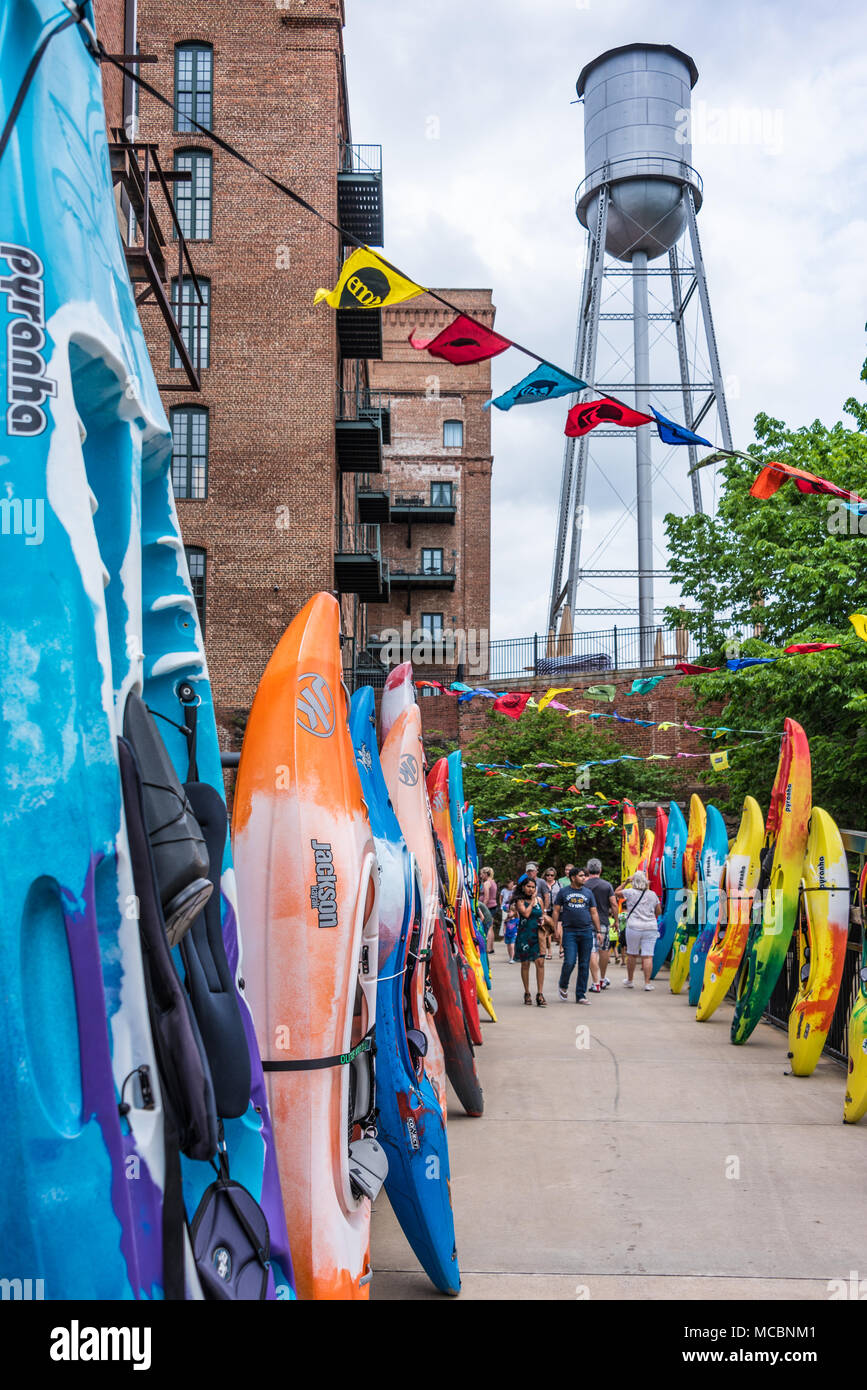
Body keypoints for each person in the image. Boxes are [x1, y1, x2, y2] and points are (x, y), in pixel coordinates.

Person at [552, 866, 600, 1004]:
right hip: (569, 932)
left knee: (584, 964)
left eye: (584, 875)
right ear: (573, 878)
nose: (584, 878)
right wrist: (555, 928)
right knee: (570, 961)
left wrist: (599, 931)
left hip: (586, 931)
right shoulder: (563, 892)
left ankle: (581, 995)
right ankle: (563, 984)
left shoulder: (588, 893)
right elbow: (556, 911)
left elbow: (594, 912)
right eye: (581, 876)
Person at [616, 869, 662, 990]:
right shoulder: (652, 894)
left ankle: (630, 980)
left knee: (632, 954)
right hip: (650, 927)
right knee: (648, 956)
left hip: (634, 927)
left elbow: (616, 892)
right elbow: (658, 911)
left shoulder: (630, 892)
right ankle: (647, 983)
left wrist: (626, 882)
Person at [513, 876, 552, 1005]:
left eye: (533, 887)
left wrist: (544, 921)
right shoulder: (519, 900)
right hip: (524, 935)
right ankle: (527, 992)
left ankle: (540, 994)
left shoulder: (539, 900)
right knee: (525, 964)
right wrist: (532, 902)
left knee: (540, 962)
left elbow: (541, 914)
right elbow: (526, 914)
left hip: (538, 934)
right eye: (528, 886)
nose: (531, 889)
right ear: (523, 887)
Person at [584, 858, 618, 991]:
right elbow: (614, 904)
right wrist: (616, 920)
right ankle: (603, 979)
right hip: (603, 922)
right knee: (604, 950)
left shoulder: (584, 885)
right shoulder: (607, 885)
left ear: (587, 870)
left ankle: (595, 982)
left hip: (587, 923)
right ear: (600, 870)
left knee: (592, 951)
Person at [541, 867, 559, 959]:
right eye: (548, 875)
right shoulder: (542, 884)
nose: (549, 877)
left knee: (558, 930)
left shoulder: (558, 884)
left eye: (552, 875)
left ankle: (561, 949)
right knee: (547, 931)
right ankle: (549, 951)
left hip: (557, 909)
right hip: (546, 910)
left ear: (554, 876)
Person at [479, 866, 498, 953]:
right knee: (491, 927)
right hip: (493, 905)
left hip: (488, 907)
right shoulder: (493, 882)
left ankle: (489, 948)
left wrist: (483, 908)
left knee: (489, 927)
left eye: (482, 874)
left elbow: (486, 897)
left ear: (486, 874)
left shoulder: (487, 883)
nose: (481, 876)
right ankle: (491, 947)